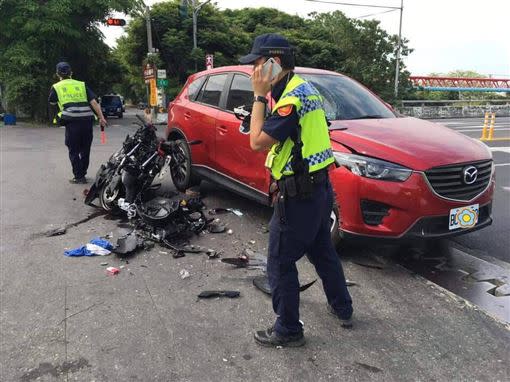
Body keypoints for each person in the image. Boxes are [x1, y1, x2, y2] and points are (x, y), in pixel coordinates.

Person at [240, 33, 353, 347]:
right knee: (322, 251)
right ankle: (342, 307)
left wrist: (259, 97)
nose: (253, 72)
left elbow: (256, 142)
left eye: (258, 64)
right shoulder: (303, 87)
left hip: (299, 196)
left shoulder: (289, 97)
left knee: (279, 261)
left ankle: (288, 330)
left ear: (275, 64)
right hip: (319, 190)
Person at [48, 62, 107, 183]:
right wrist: (101, 118)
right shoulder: (81, 85)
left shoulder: (57, 86)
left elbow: (52, 102)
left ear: (57, 74)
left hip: (71, 122)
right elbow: (94, 103)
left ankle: (79, 176)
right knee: (85, 149)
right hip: (87, 120)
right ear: (71, 73)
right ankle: (82, 173)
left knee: (73, 149)